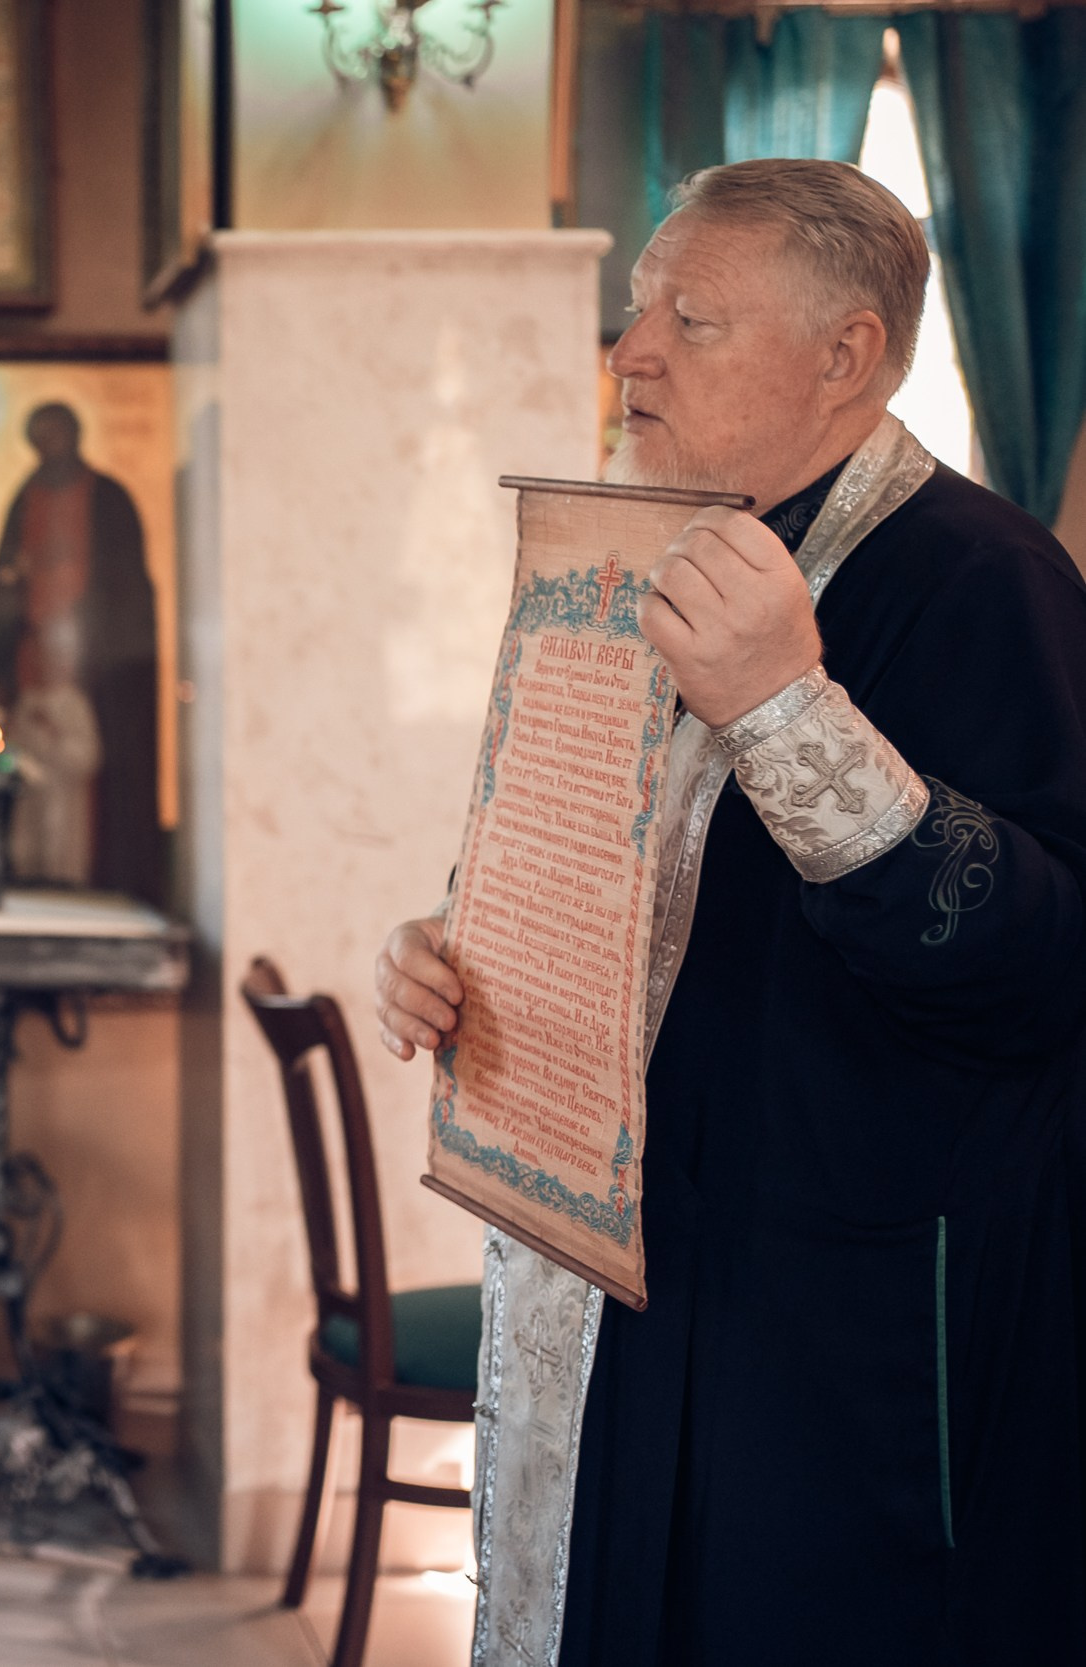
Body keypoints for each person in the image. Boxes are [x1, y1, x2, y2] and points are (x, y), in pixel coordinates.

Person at [373, 159, 1086, 1666]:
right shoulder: (645, 544)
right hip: (637, 1263)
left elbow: (1039, 962)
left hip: (835, 1326)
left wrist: (784, 703)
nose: (631, 352)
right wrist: (456, 952)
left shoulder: (985, 578)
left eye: (690, 318)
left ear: (850, 355)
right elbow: (616, 860)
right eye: (638, 310)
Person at [0, 403, 162, 899]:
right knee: (34, 776)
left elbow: (126, 590)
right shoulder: (26, 499)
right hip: (35, 656)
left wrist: (89, 631)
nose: (49, 448)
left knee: (87, 779)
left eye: (57, 436)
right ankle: (32, 873)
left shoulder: (107, 500)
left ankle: (94, 877)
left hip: (92, 662)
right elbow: (5, 583)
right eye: (40, 438)